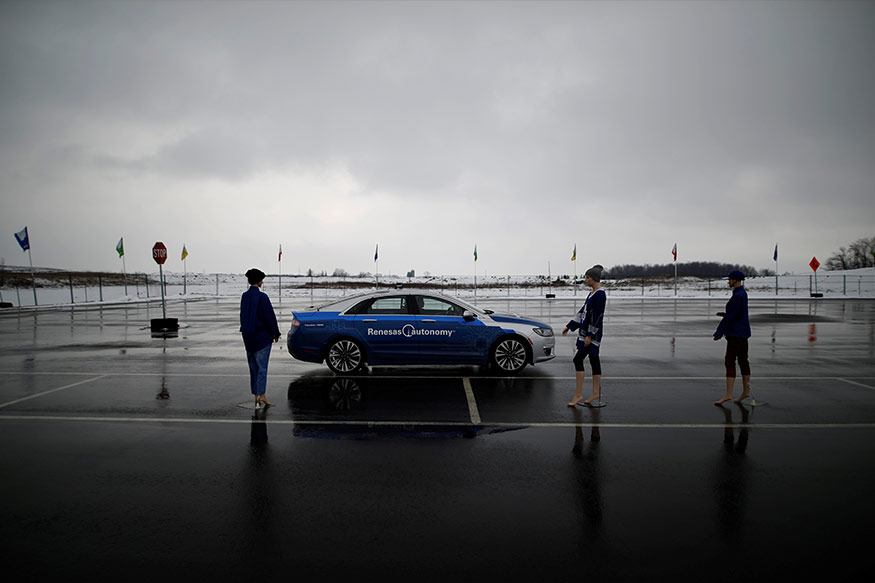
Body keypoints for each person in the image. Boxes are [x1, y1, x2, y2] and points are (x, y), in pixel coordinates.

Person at [563, 265, 606, 406]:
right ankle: (595, 392)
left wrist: (590, 335)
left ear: (594, 278)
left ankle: (578, 395)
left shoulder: (600, 295)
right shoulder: (592, 293)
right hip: (586, 332)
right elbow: (583, 311)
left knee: (578, 359)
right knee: (593, 359)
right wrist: (570, 326)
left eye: (587, 277)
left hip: (592, 334)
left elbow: (597, 316)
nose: (586, 280)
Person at [240, 268, 281, 409]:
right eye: (261, 280)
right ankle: (261, 394)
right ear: (258, 281)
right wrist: (275, 333)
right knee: (262, 368)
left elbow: (243, 316)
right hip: (262, 337)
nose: (262, 282)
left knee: (253, 368)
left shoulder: (245, 296)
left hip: (248, 337)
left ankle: (255, 395)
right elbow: (268, 317)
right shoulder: (262, 297)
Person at [713, 270, 752, 405]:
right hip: (743, 332)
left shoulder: (737, 296)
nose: (728, 282)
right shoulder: (742, 293)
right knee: (743, 361)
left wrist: (718, 333)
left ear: (735, 280)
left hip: (736, 334)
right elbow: (736, 313)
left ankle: (729, 394)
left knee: (730, 361)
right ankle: (746, 391)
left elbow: (731, 317)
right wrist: (725, 314)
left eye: (730, 279)